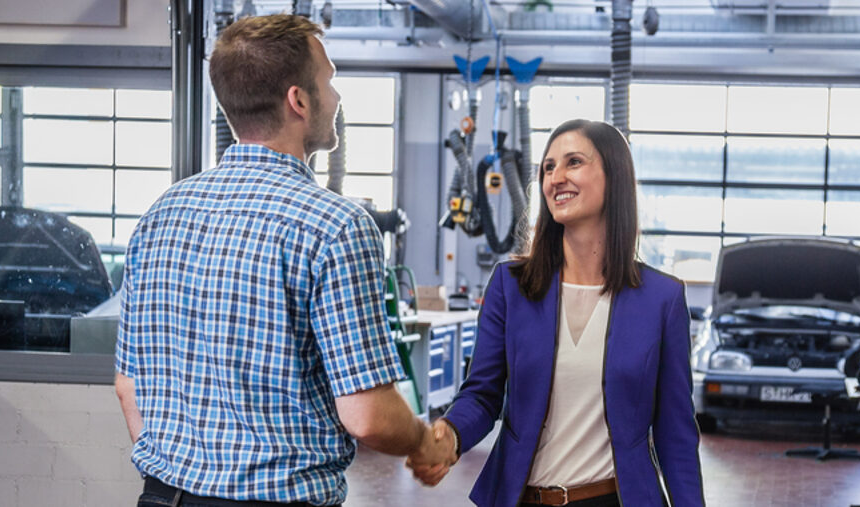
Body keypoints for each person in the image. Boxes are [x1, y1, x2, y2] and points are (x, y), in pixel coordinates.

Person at [114, 14, 452, 507]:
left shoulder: (161, 213)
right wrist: (425, 443)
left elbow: (129, 388)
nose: (335, 99)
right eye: (329, 82)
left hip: (164, 497)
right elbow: (368, 416)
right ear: (299, 100)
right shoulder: (335, 226)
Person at [411, 119, 705, 507]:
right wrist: (450, 434)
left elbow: (675, 433)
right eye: (549, 167)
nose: (556, 178)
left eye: (573, 162)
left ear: (613, 176)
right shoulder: (510, 285)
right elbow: (482, 395)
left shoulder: (661, 299)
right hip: (523, 498)